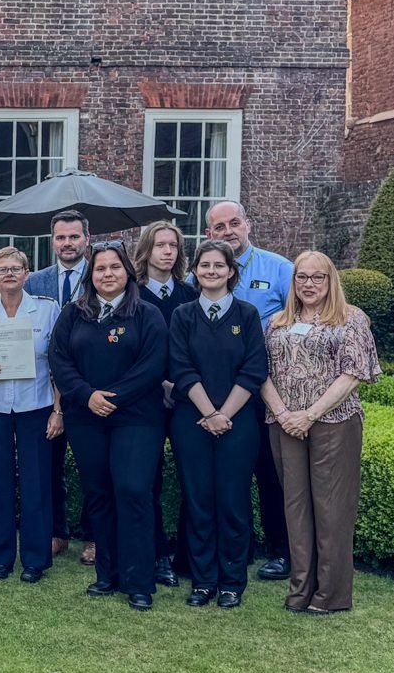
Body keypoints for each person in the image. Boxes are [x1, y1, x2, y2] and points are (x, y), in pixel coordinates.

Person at [48, 241, 169, 610]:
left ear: (127, 272)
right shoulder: (74, 314)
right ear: (92, 274)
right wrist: (86, 396)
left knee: (133, 490)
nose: (107, 274)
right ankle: (107, 574)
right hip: (87, 419)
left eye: (114, 267)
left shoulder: (147, 314)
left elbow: (153, 365)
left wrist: (112, 397)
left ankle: (139, 581)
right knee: (99, 494)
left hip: (137, 418)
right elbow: (59, 358)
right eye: (100, 269)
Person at [260, 252, 379, 615]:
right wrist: (283, 413)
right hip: (284, 424)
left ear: (331, 281)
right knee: (295, 507)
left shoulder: (350, 318)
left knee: (331, 509)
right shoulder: (279, 322)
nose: (309, 284)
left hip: (333, 422)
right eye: (301, 277)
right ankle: (300, 588)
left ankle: (330, 594)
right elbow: (260, 372)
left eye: (317, 278)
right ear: (293, 281)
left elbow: (353, 373)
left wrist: (309, 415)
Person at [168, 239, 269, 609]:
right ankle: (203, 580)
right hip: (190, 419)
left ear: (231, 271)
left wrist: (224, 413)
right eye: (204, 265)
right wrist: (209, 413)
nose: (211, 271)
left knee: (233, 500)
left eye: (218, 266)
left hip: (238, 422)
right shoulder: (182, 315)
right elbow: (180, 367)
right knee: (198, 500)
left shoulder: (246, 315)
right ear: (195, 271)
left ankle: (231, 582)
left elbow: (255, 368)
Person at [204, 199, 295, 580]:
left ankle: (281, 551)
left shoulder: (280, 269)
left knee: (271, 473)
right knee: (224, 475)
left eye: (234, 223)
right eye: (219, 227)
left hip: (269, 391)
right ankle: (231, 547)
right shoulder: (203, 275)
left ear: (248, 225)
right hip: (216, 395)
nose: (228, 232)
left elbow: (310, 311)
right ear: (209, 234)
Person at [0, 246, 61, 583]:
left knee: (36, 482)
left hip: (35, 405)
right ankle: (0, 554)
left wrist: (58, 410)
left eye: (16, 268)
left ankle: (35, 558)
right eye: (2, 268)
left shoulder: (48, 311)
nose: (9, 274)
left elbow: (57, 366)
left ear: (26, 273)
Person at [133, 219, 198, 587]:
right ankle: (157, 556)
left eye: (173, 245)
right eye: (160, 245)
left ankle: (189, 555)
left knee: (195, 480)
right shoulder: (133, 295)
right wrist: (160, 382)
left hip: (190, 400)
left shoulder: (190, 295)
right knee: (149, 481)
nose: (168, 251)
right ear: (147, 250)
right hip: (149, 401)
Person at [26, 209, 92, 563]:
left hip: (88, 387)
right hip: (44, 388)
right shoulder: (35, 281)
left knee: (91, 465)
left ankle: (93, 536)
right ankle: (56, 531)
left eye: (74, 236)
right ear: (52, 241)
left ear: (86, 238)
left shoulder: (100, 276)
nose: (67, 243)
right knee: (47, 464)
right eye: (61, 237)